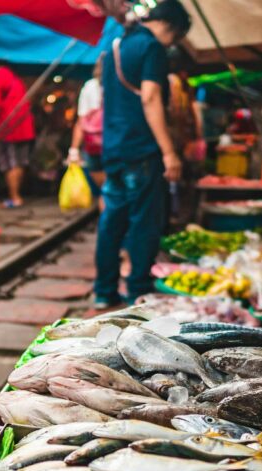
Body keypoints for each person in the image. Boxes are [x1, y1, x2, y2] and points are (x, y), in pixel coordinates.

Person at [93, 0, 192, 308]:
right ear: (170, 27)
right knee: (144, 222)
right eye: (175, 39)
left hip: (114, 148)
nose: (172, 45)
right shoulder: (152, 48)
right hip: (142, 148)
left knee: (112, 221)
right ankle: (138, 290)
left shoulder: (117, 45)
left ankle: (104, 291)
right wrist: (168, 152)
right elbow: (150, 97)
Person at [0, 59, 35, 208]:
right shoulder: (14, 76)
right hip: (24, 126)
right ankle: (17, 196)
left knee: (9, 164)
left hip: (7, 128)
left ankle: (15, 197)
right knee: (19, 163)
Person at [68, 56, 105, 190]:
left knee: (104, 191)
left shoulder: (90, 86)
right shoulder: (122, 83)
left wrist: (74, 149)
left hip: (94, 144)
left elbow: (81, 121)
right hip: (117, 143)